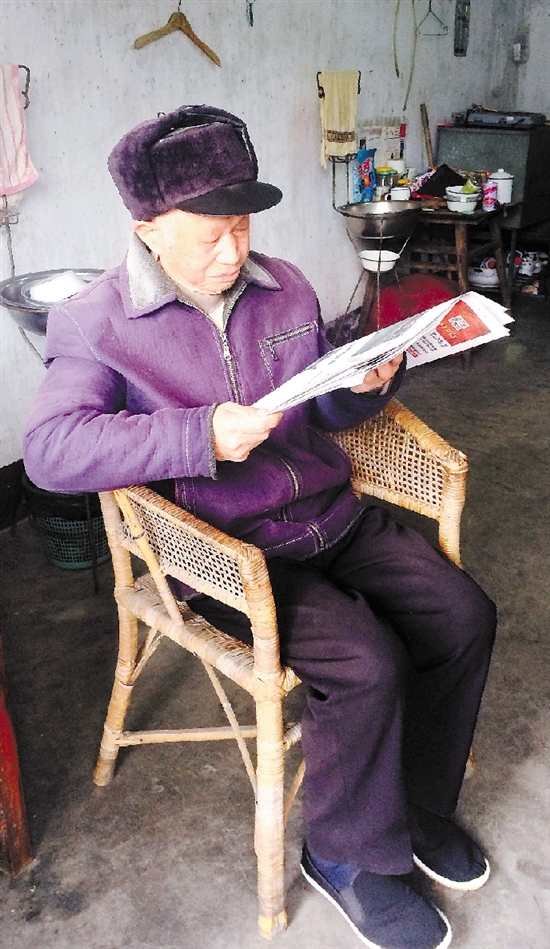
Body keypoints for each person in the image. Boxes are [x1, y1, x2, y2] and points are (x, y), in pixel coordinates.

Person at [23, 105, 496, 949]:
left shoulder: (286, 287)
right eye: (211, 235)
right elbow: (51, 451)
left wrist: (365, 383)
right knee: (367, 662)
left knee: (464, 614)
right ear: (148, 229)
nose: (234, 251)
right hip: (229, 554)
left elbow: (322, 407)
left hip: (330, 514)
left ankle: (415, 805)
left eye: (242, 227)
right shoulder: (95, 323)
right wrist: (197, 434)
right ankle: (345, 856)